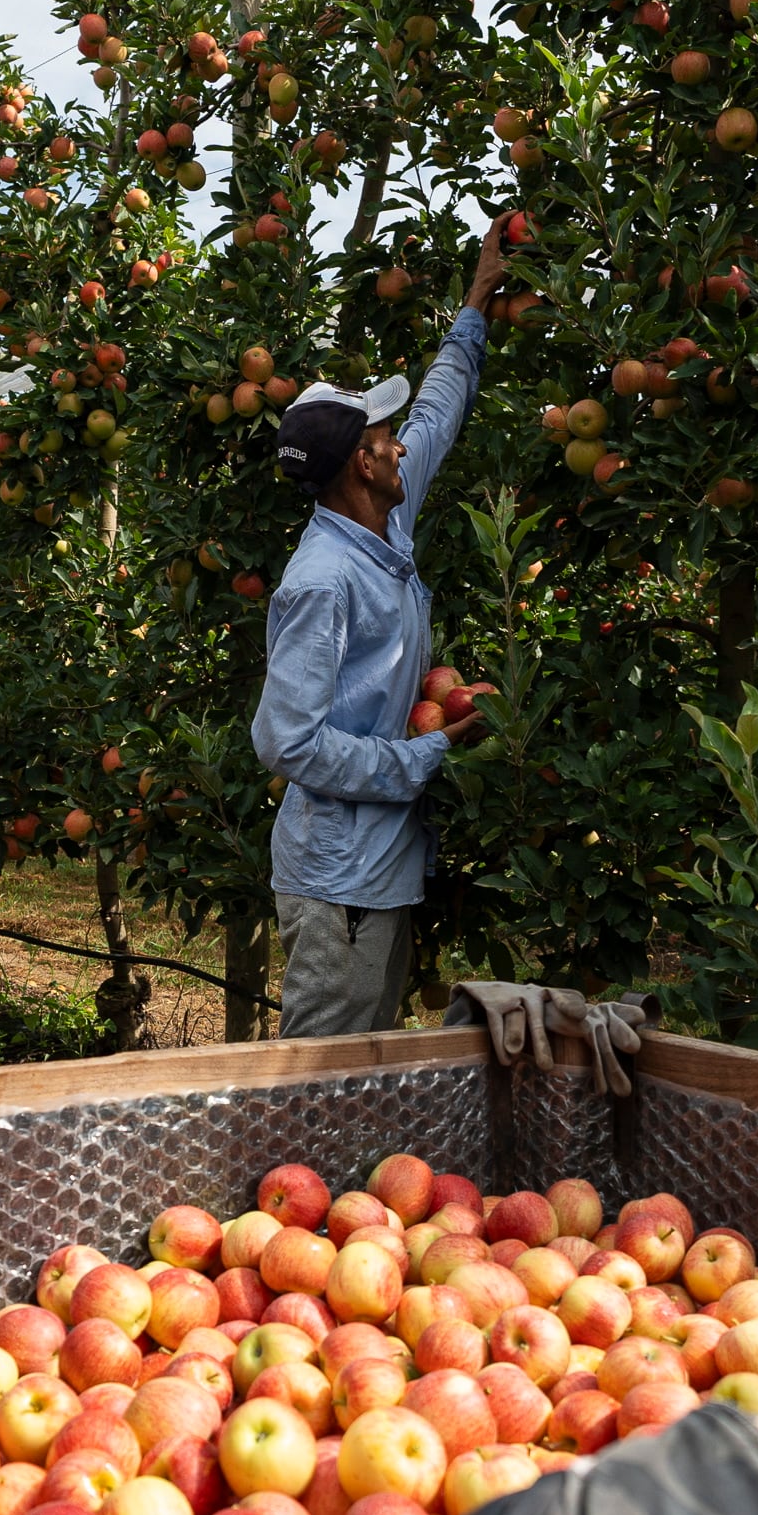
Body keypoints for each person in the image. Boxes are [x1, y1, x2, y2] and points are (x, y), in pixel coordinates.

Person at [251, 234, 510, 1038]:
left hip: (378, 868)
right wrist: (424, 755)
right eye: (382, 439)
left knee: (364, 1065)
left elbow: (436, 414)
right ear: (362, 465)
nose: (400, 444)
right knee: (323, 1071)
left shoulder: (385, 518)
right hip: (338, 879)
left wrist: (475, 308)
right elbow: (285, 743)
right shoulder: (323, 581)